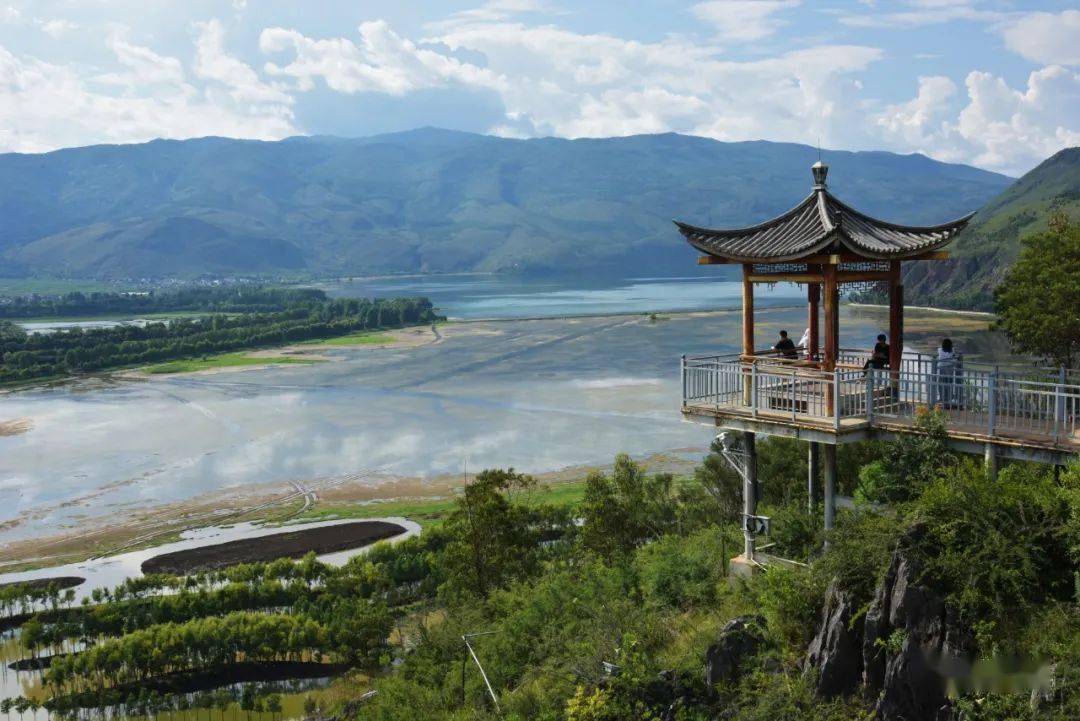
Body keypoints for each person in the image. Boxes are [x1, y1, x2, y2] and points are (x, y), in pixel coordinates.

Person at [937, 337, 959, 408]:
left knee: (941, 385)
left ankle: (942, 400)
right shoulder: (952, 351)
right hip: (949, 372)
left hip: (942, 371)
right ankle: (947, 401)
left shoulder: (940, 350)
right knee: (949, 386)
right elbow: (953, 359)